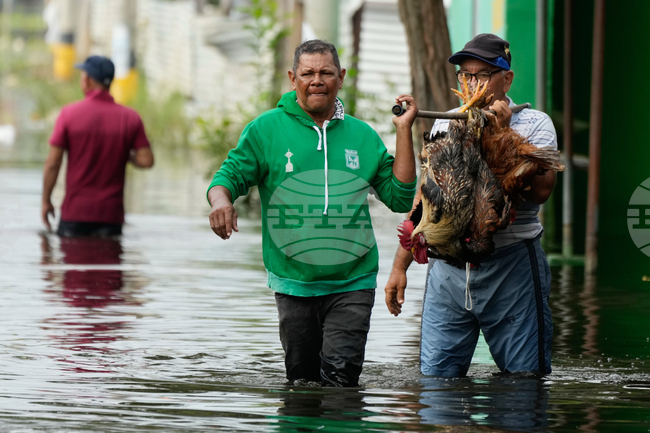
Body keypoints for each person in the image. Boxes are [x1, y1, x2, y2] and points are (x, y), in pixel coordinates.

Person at [207, 39, 417, 387]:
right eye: (307, 73)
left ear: (341, 78)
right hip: (293, 281)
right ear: (293, 78)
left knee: (341, 383)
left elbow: (398, 196)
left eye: (326, 73)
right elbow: (226, 177)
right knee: (301, 383)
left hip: (353, 280)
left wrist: (404, 131)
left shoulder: (362, 136)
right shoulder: (265, 130)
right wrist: (221, 202)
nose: (316, 80)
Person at [385, 33, 557, 377]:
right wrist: (400, 266)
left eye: (481, 75)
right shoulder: (447, 120)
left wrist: (504, 134)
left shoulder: (535, 123)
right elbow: (426, 195)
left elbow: (541, 192)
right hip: (447, 268)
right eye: (465, 75)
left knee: (523, 383)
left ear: (505, 79)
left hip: (511, 266)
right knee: (437, 383)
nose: (471, 82)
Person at [41, 55, 154, 237]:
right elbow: (147, 160)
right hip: (111, 216)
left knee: (73, 263)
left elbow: (53, 163)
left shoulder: (68, 114)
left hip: (75, 213)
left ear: (86, 80)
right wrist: (124, 152)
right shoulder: (130, 118)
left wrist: (46, 201)